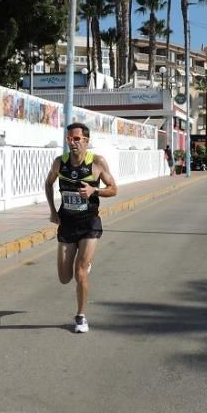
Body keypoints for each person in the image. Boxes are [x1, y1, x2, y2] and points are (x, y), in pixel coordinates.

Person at [45, 123, 118, 333]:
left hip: (89, 223)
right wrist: (52, 210)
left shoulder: (96, 162)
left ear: (86, 140)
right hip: (67, 223)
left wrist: (94, 190)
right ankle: (84, 264)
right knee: (64, 278)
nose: (72, 142)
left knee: (80, 273)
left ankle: (81, 317)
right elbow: (48, 183)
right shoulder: (60, 163)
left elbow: (114, 189)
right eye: (70, 138)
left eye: (77, 139)